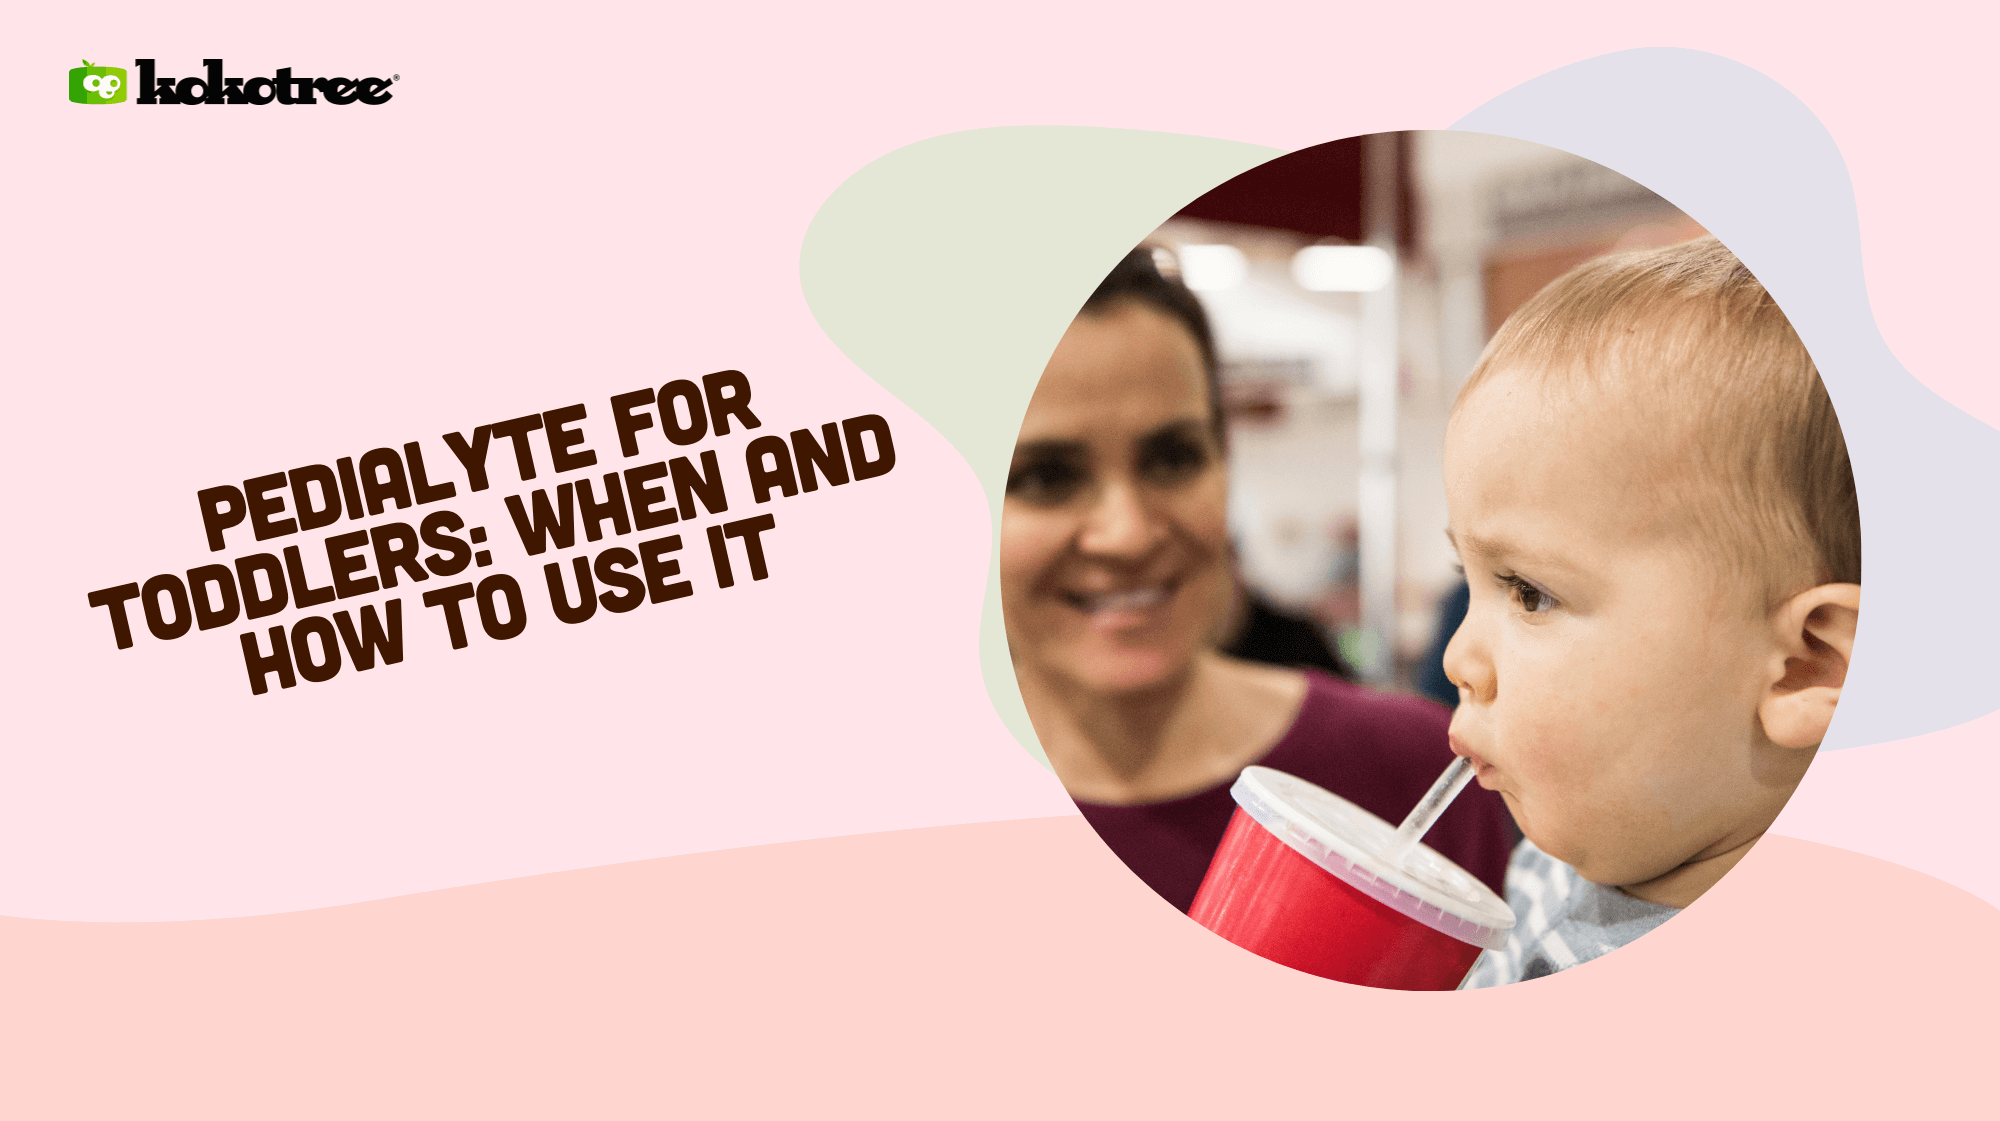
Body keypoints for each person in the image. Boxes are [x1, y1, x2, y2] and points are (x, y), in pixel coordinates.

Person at [1001, 247, 1513, 913]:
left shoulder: (1412, 770)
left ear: (1225, 461)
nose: (1127, 532)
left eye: (1173, 457)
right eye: (1046, 477)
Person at [1446, 236, 1860, 985]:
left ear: (1804, 665)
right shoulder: (1561, 856)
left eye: (1529, 590)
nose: (1457, 659)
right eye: (1467, 575)